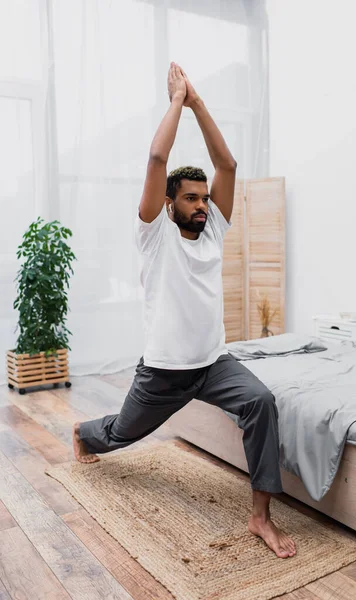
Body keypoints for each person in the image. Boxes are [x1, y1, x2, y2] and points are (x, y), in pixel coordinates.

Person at [73, 62, 296, 559]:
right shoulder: (154, 236)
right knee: (118, 434)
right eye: (190, 198)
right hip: (165, 373)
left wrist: (199, 103)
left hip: (213, 365)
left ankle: (260, 516)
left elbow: (230, 167)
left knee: (261, 402)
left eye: (203, 198)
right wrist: (176, 100)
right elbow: (157, 157)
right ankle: (83, 434)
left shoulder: (213, 228)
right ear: (169, 204)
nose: (201, 204)